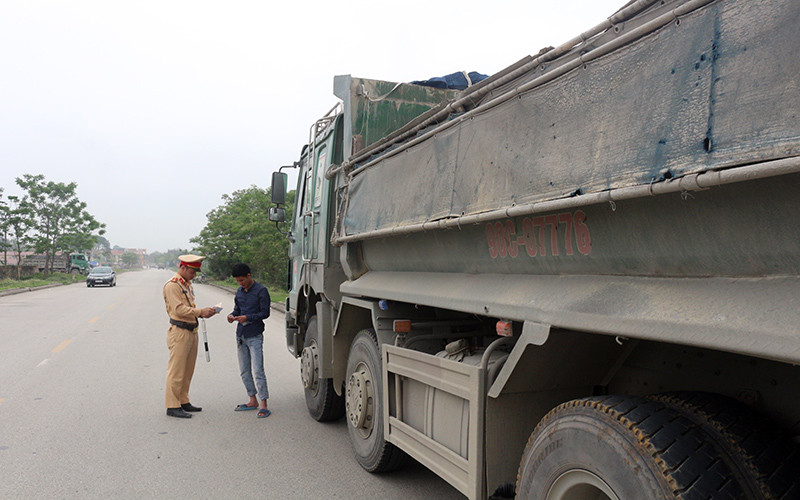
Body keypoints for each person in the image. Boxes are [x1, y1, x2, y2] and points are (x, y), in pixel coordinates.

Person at [163, 254, 218, 419]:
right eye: (192, 271)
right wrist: (200, 312)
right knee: (176, 371)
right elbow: (179, 309)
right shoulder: (173, 286)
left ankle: (183, 400)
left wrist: (201, 313)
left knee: (187, 370)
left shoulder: (186, 284)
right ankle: (172, 405)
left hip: (191, 331)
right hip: (179, 332)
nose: (194, 275)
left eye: (196, 272)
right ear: (183, 268)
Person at [227, 263, 272, 418]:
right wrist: (232, 316)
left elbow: (265, 313)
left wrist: (248, 317)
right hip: (241, 335)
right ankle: (252, 400)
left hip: (255, 335)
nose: (241, 284)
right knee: (245, 370)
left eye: (242, 280)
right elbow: (237, 309)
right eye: (238, 281)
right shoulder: (239, 292)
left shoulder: (261, 291)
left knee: (258, 370)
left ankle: (264, 404)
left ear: (248, 275)